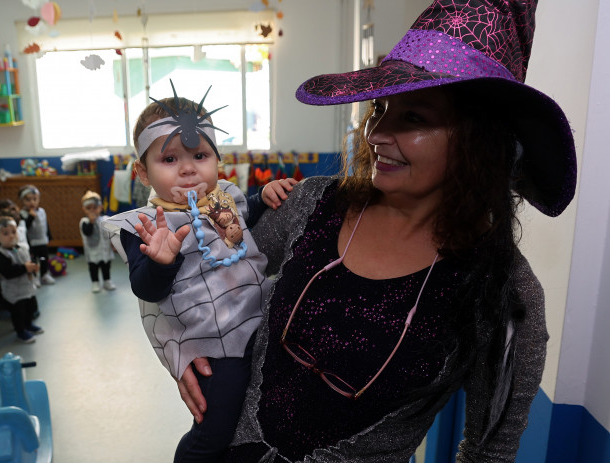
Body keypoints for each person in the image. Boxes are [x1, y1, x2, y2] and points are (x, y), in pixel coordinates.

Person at [177, 1, 577, 461]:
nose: (376, 132)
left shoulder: (504, 292)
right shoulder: (311, 204)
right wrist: (182, 346)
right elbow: (201, 271)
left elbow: (491, 451)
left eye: (414, 118)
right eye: (381, 108)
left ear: (478, 139)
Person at [105, 83, 296, 463]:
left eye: (199, 154)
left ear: (217, 160)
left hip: (260, 317)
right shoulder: (142, 225)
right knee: (215, 430)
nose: (189, 168)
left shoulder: (224, 196)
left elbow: (248, 211)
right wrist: (161, 260)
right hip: (213, 345)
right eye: (170, 159)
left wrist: (268, 194)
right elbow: (145, 288)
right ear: (142, 173)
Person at [0, 215, 44, 343]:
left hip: (27, 286)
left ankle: (28, 324)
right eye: (5, 234)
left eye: (13, 232)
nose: (11, 236)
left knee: (30, 307)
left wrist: (34, 266)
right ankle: (20, 331)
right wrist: (24, 268)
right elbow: (7, 272)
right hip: (14, 291)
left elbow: (29, 260)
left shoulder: (22, 248)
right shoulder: (2, 254)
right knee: (18, 312)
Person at [79, 190, 116, 293]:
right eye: (88, 208)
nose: (92, 211)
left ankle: (107, 280)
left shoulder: (105, 219)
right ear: (84, 209)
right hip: (92, 252)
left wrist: (113, 244)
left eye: (94, 207)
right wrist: (91, 221)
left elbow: (111, 234)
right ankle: (95, 282)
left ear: (100, 207)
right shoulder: (84, 222)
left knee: (106, 266)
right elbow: (87, 232)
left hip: (105, 251)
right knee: (93, 267)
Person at [18, 184, 55, 286]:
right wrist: (30, 217)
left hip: (42, 241)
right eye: (28, 200)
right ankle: (34, 277)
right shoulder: (22, 214)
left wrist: (49, 236)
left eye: (35, 199)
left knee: (44, 259)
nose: (32, 202)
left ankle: (44, 274)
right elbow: (24, 227)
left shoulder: (42, 211)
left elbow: (45, 224)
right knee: (33, 261)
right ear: (22, 201)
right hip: (31, 243)